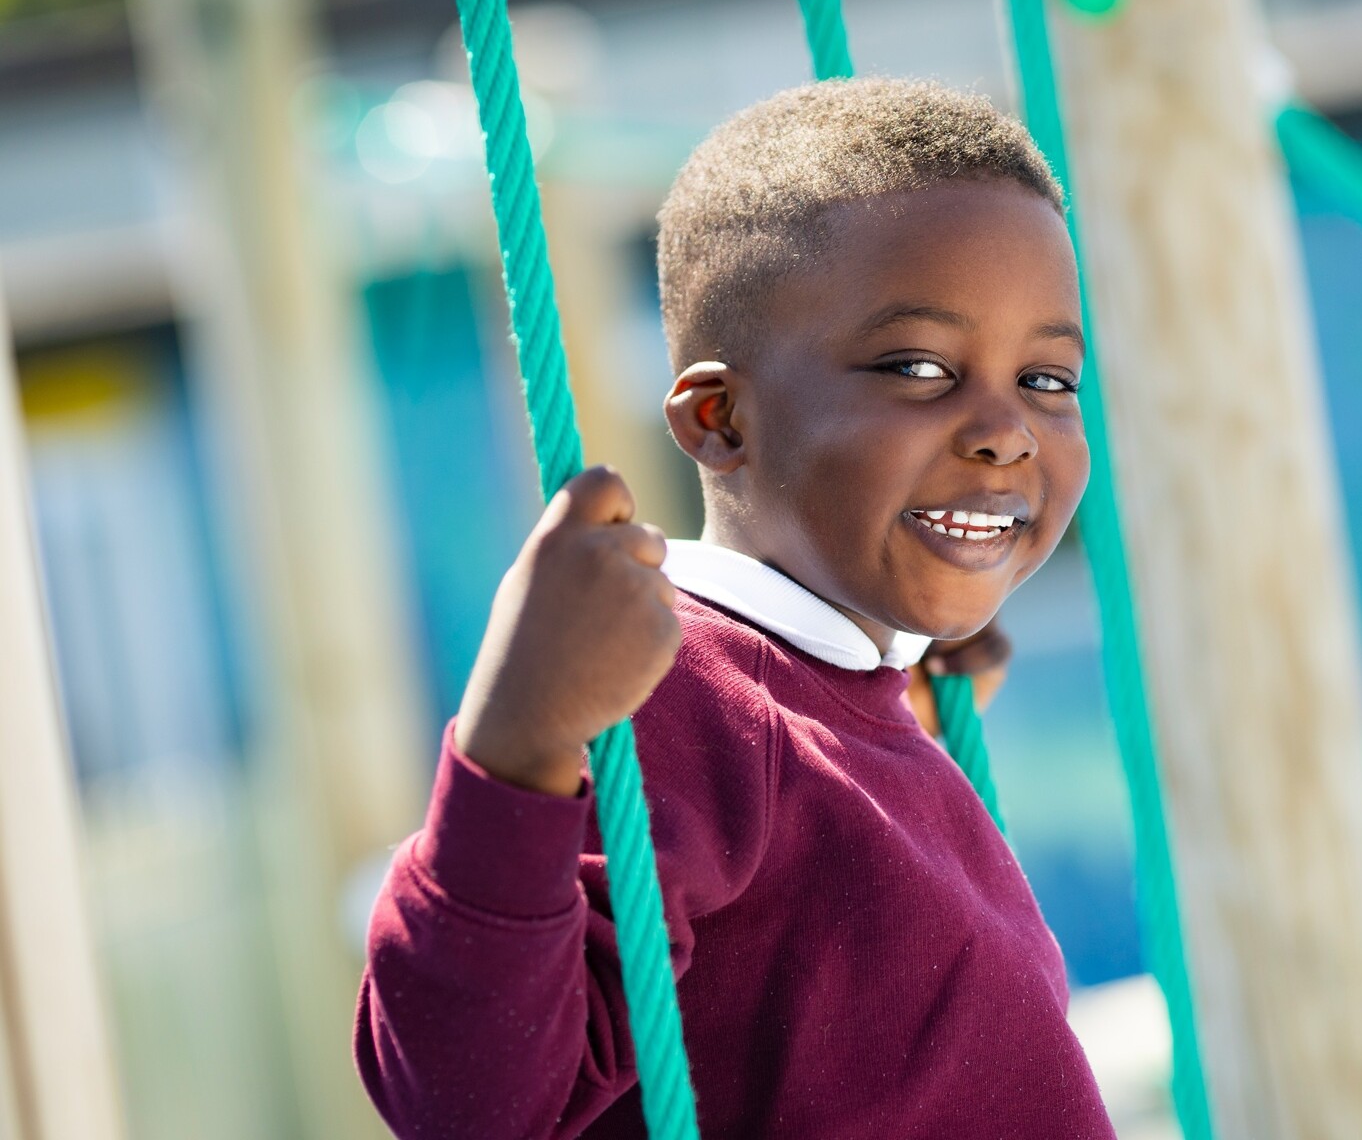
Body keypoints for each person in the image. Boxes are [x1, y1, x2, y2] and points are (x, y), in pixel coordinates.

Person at [353, 77, 1112, 1139]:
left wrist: (895, 721)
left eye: (1048, 381)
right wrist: (516, 744)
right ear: (719, 419)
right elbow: (467, 1097)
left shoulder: (813, 698)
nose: (1007, 431)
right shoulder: (677, 693)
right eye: (917, 367)